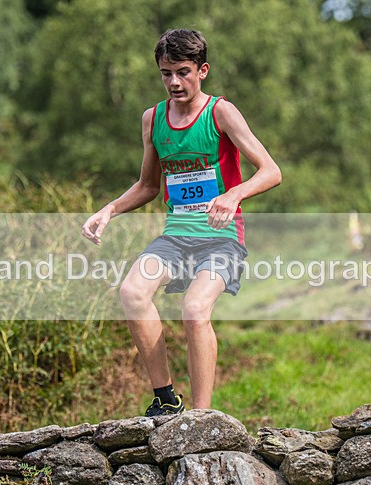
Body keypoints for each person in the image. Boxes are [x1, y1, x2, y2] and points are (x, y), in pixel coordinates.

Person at [82, 28, 281, 416]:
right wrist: (108, 210)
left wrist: (233, 194)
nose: (174, 81)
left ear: (202, 70)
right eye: (165, 73)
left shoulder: (220, 112)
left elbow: (271, 171)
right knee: (133, 293)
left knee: (194, 310)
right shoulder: (152, 119)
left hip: (222, 240)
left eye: (183, 72)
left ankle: (202, 417)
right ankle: (166, 399)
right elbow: (147, 185)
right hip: (176, 238)